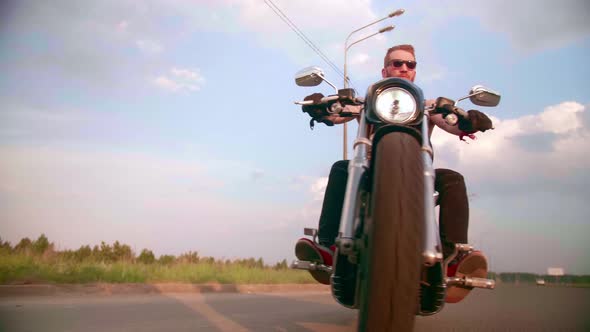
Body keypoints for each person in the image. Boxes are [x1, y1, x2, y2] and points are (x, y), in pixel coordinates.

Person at [295, 44, 493, 303]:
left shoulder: (429, 106)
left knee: (453, 178)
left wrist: (469, 120)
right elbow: (338, 116)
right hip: (368, 169)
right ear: (385, 69)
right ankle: (329, 247)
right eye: (397, 63)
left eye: (410, 65)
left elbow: (452, 124)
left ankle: (451, 258)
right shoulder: (366, 102)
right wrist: (322, 107)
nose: (403, 68)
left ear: (414, 71)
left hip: (417, 173)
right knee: (341, 168)